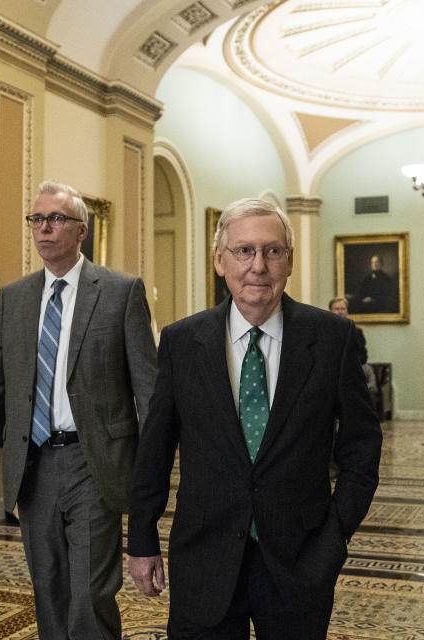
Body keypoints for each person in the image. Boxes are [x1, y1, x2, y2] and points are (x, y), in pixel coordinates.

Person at [127, 199, 383, 639]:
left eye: (272, 251)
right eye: (244, 251)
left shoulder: (332, 338)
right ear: (219, 261)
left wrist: (335, 536)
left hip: (300, 561)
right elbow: (154, 448)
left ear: (289, 262)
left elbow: (362, 448)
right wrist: (142, 539)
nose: (257, 266)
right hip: (203, 559)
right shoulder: (181, 342)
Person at [0, 181, 158, 639]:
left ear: (81, 230)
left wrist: (155, 472)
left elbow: (149, 389)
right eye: (36, 219)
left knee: (90, 591)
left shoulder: (119, 292)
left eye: (55, 219)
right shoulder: (12, 299)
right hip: (33, 466)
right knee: (48, 586)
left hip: (94, 463)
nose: (43, 229)